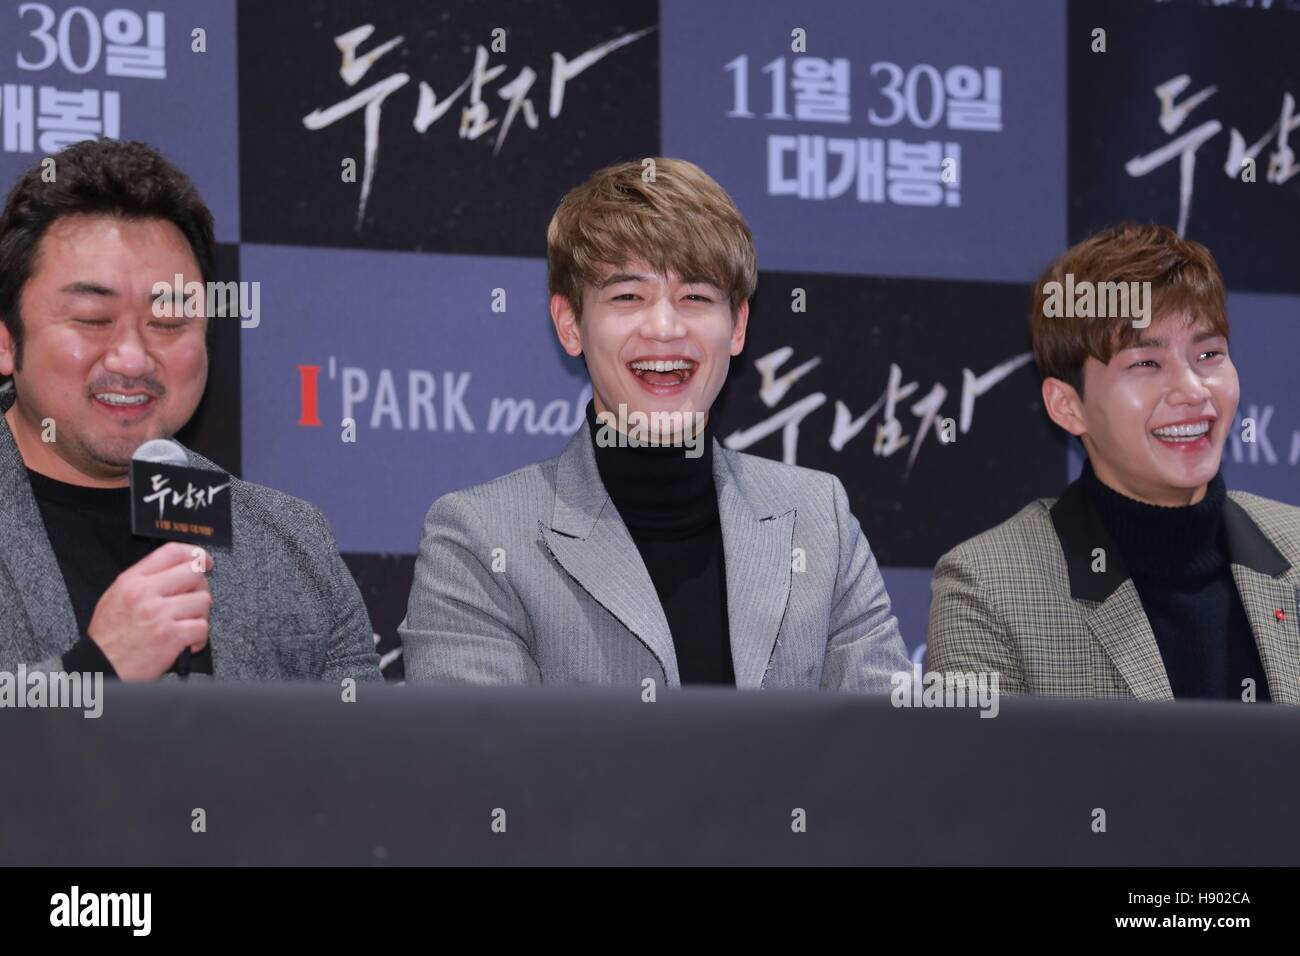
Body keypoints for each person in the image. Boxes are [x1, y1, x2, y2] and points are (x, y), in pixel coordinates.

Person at [401, 157, 907, 690]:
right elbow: (484, 762)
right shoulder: (480, 538)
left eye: (695, 297)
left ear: (737, 328)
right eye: (627, 296)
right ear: (569, 325)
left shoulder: (819, 521)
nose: (664, 328)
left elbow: (884, 750)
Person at [0, 138, 381, 683]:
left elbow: (368, 758)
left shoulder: (291, 544)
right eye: (92, 318)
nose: (132, 358)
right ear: (7, 340)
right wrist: (97, 670)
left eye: (170, 321)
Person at [926, 223, 1300, 703]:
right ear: (1067, 405)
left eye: (1209, 354)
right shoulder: (988, 588)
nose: (1192, 391)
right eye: (1146, 364)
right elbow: (980, 776)